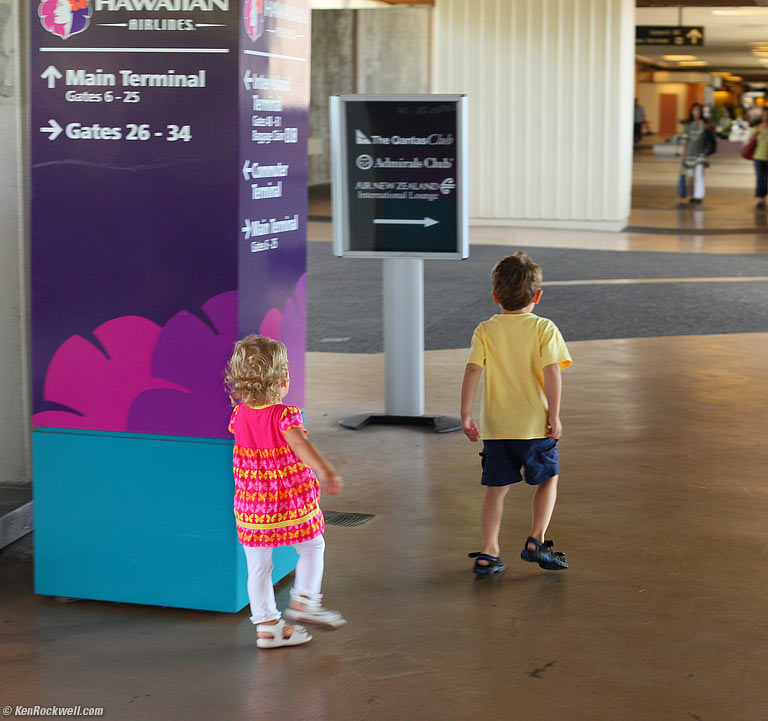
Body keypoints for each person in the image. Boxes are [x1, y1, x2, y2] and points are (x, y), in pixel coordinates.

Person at [225, 335, 345, 649]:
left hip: (252, 506)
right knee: (312, 545)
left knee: (259, 567)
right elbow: (299, 444)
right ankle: (306, 600)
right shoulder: (283, 415)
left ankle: (267, 627)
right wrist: (325, 470)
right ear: (283, 379)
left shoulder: (238, 415)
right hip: (287, 501)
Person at [460, 252, 572, 576]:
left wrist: (466, 413)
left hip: (497, 428)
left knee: (495, 490)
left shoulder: (485, 330)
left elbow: (472, 370)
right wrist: (555, 415)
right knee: (548, 479)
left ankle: (488, 551)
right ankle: (536, 540)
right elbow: (552, 372)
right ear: (538, 296)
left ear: (495, 296)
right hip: (535, 426)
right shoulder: (544, 328)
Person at [680, 103, 711, 204]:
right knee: (691, 175)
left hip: (700, 152)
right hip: (689, 152)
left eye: (698, 110)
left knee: (699, 173)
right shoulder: (688, 124)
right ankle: (692, 195)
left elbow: (709, 138)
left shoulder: (705, 123)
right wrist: (683, 154)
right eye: (694, 110)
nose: (696, 112)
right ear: (691, 111)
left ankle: (699, 195)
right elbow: (685, 140)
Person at [750, 106, 768, 209]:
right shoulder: (757, 127)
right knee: (759, 177)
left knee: (765, 178)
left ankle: (763, 195)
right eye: (764, 115)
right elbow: (751, 140)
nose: (766, 117)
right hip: (758, 156)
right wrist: (755, 134)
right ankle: (759, 198)